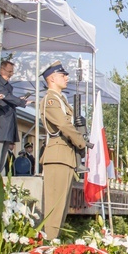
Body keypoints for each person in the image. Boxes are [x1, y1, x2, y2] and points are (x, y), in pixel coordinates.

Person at [40, 61, 86, 239]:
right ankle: (49, 245)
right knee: (54, 207)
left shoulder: (61, 100)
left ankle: (53, 242)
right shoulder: (51, 99)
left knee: (61, 208)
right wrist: (80, 141)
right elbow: (62, 124)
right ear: (51, 78)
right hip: (57, 154)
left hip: (65, 156)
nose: (66, 78)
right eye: (62, 75)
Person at [0, 60, 32, 175]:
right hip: (1, 121)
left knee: (4, 152)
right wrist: (21, 102)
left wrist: (19, 101)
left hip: (8, 121)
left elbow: (10, 98)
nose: (11, 74)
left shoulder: (7, 86)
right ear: (1, 70)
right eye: (9, 71)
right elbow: (7, 97)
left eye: (12, 72)